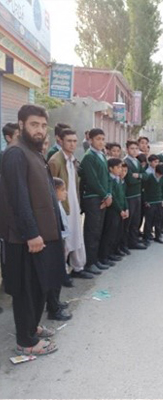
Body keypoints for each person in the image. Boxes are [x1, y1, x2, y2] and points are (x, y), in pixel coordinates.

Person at [0, 104, 65, 356]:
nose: (39, 130)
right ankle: (26, 342)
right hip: (27, 238)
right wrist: (31, 233)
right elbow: (18, 198)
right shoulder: (16, 153)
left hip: (41, 235)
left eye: (42, 125)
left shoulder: (34, 152)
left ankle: (32, 328)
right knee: (26, 290)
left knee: (39, 286)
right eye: (33, 125)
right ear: (21, 125)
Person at [48, 129, 92, 280]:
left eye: (75, 141)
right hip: (63, 207)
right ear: (60, 141)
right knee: (65, 240)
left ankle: (78, 268)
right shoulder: (55, 161)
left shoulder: (72, 159)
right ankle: (62, 273)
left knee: (76, 237)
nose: (72, 144)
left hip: (74, 204)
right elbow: (52, 187)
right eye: (69, 141)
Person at [79, 128, 113, 275]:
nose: (101, 142)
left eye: (103, 139)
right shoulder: (88, 157)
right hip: (93, 198)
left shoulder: (102, 155)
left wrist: (108, 194)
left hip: (103, 197)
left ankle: (95, 259)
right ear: (90, 140)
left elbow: (107, 177)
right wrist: (105, 195)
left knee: (98, 231)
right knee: (91, 232)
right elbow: (93, 181)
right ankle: (88, 263)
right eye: (98, 139)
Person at [46, 178, 72, 322]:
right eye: (62, 190)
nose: (65, 193)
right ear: (54, 191)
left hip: (60, 240)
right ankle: (53, 309)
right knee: (54, 276)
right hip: (55, 242)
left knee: (59, 273)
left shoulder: (59, 204)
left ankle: (56, 302)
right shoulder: (51, 205)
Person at [98, 158, 129, 264]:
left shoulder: (118, 179)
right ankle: (104, 256)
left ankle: (112, 253)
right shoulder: (109, 180)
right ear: (110, 168)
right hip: (113, 211)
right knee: (109, 234)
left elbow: (123, 196)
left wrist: (126, 208)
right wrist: (120, 210)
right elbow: (114, 197)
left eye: (121, 167)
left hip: (120, 211)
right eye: (118, 167)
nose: (121, 170)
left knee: (116, 233)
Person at [124, 140, 148, 251]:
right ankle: (125, 244)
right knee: (128, 222)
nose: (134, 151)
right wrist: (140, 178)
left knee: (136, 221)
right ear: (127, 149)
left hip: (138, 195)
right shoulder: (125, 162)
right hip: (129, 196)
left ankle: (133, 242)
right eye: (132, 148)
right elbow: (129, 180)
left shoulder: (137, 162)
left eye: (136, 149)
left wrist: (138, 175)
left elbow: (146, 176)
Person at [143, 163, 163, 246]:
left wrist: (162, 199)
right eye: (158, 174)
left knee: (158, 219)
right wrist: (146, 201)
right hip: (150, 202)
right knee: (149, 220)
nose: (159, 176)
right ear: (155, 171)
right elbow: (144, 189)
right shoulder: (149, 177)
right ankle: (146, 237)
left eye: (161, 175)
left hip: (159, 201)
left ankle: (158, 236)